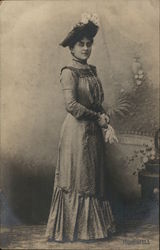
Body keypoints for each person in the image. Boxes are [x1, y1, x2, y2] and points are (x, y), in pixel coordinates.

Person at [46, 13, 116, 242]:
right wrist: (97, 117)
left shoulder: (92, 71)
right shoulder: (69, 72)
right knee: (78, 178)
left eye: (89, 44)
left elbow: (97, 102)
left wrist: (105, 120)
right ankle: (71, 230)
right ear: (72, 48)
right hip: (76, 132)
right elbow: (72, 105)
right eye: (81, 44)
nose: (85, 48)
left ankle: (93, 229)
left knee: (92, 176)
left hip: (93, 131)